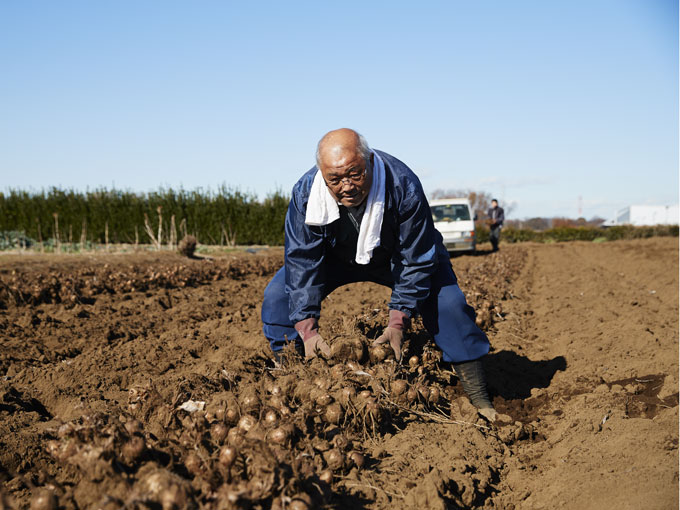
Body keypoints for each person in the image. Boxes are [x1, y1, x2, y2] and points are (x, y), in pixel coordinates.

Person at [261, 128, 496, 421]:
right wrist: (307, 329)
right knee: (276, 298)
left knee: (448, 304)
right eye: (334, 179)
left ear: (369, 160)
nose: (346, 186)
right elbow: (302, 260)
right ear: (322, 174)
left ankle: (479, 398)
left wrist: (398, 321)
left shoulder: (403, 184)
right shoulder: (305, 192)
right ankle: (293, 378)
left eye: (355, 174)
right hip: (335, 257)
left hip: (395, 256)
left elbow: (416, 258)